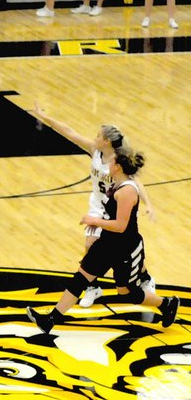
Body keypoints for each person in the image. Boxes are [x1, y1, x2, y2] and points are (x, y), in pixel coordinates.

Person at [26, 146, 179, 334]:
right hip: (107, 242)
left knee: (126, 292)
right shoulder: (116, 183)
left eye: (112, 161)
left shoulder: (127, 191)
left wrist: (94, 220)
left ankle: (167, 303)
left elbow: (121, 226)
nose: (109, 163)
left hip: (126, 247)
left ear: (118, 167)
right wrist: (99, 223)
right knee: (81, 278)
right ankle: (51, 320)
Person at [33, 102, 155, 308]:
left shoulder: (119, 159)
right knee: (90, 246)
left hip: (116, 207)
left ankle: (145, 277)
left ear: (106, 141)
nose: (95, 137)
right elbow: (69, 132)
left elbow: (136, 181)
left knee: (123, 251)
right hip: (98, 204)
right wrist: (44, 117)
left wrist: (148, 203)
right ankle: (93, 287)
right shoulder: (94, 150)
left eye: (98, 135)